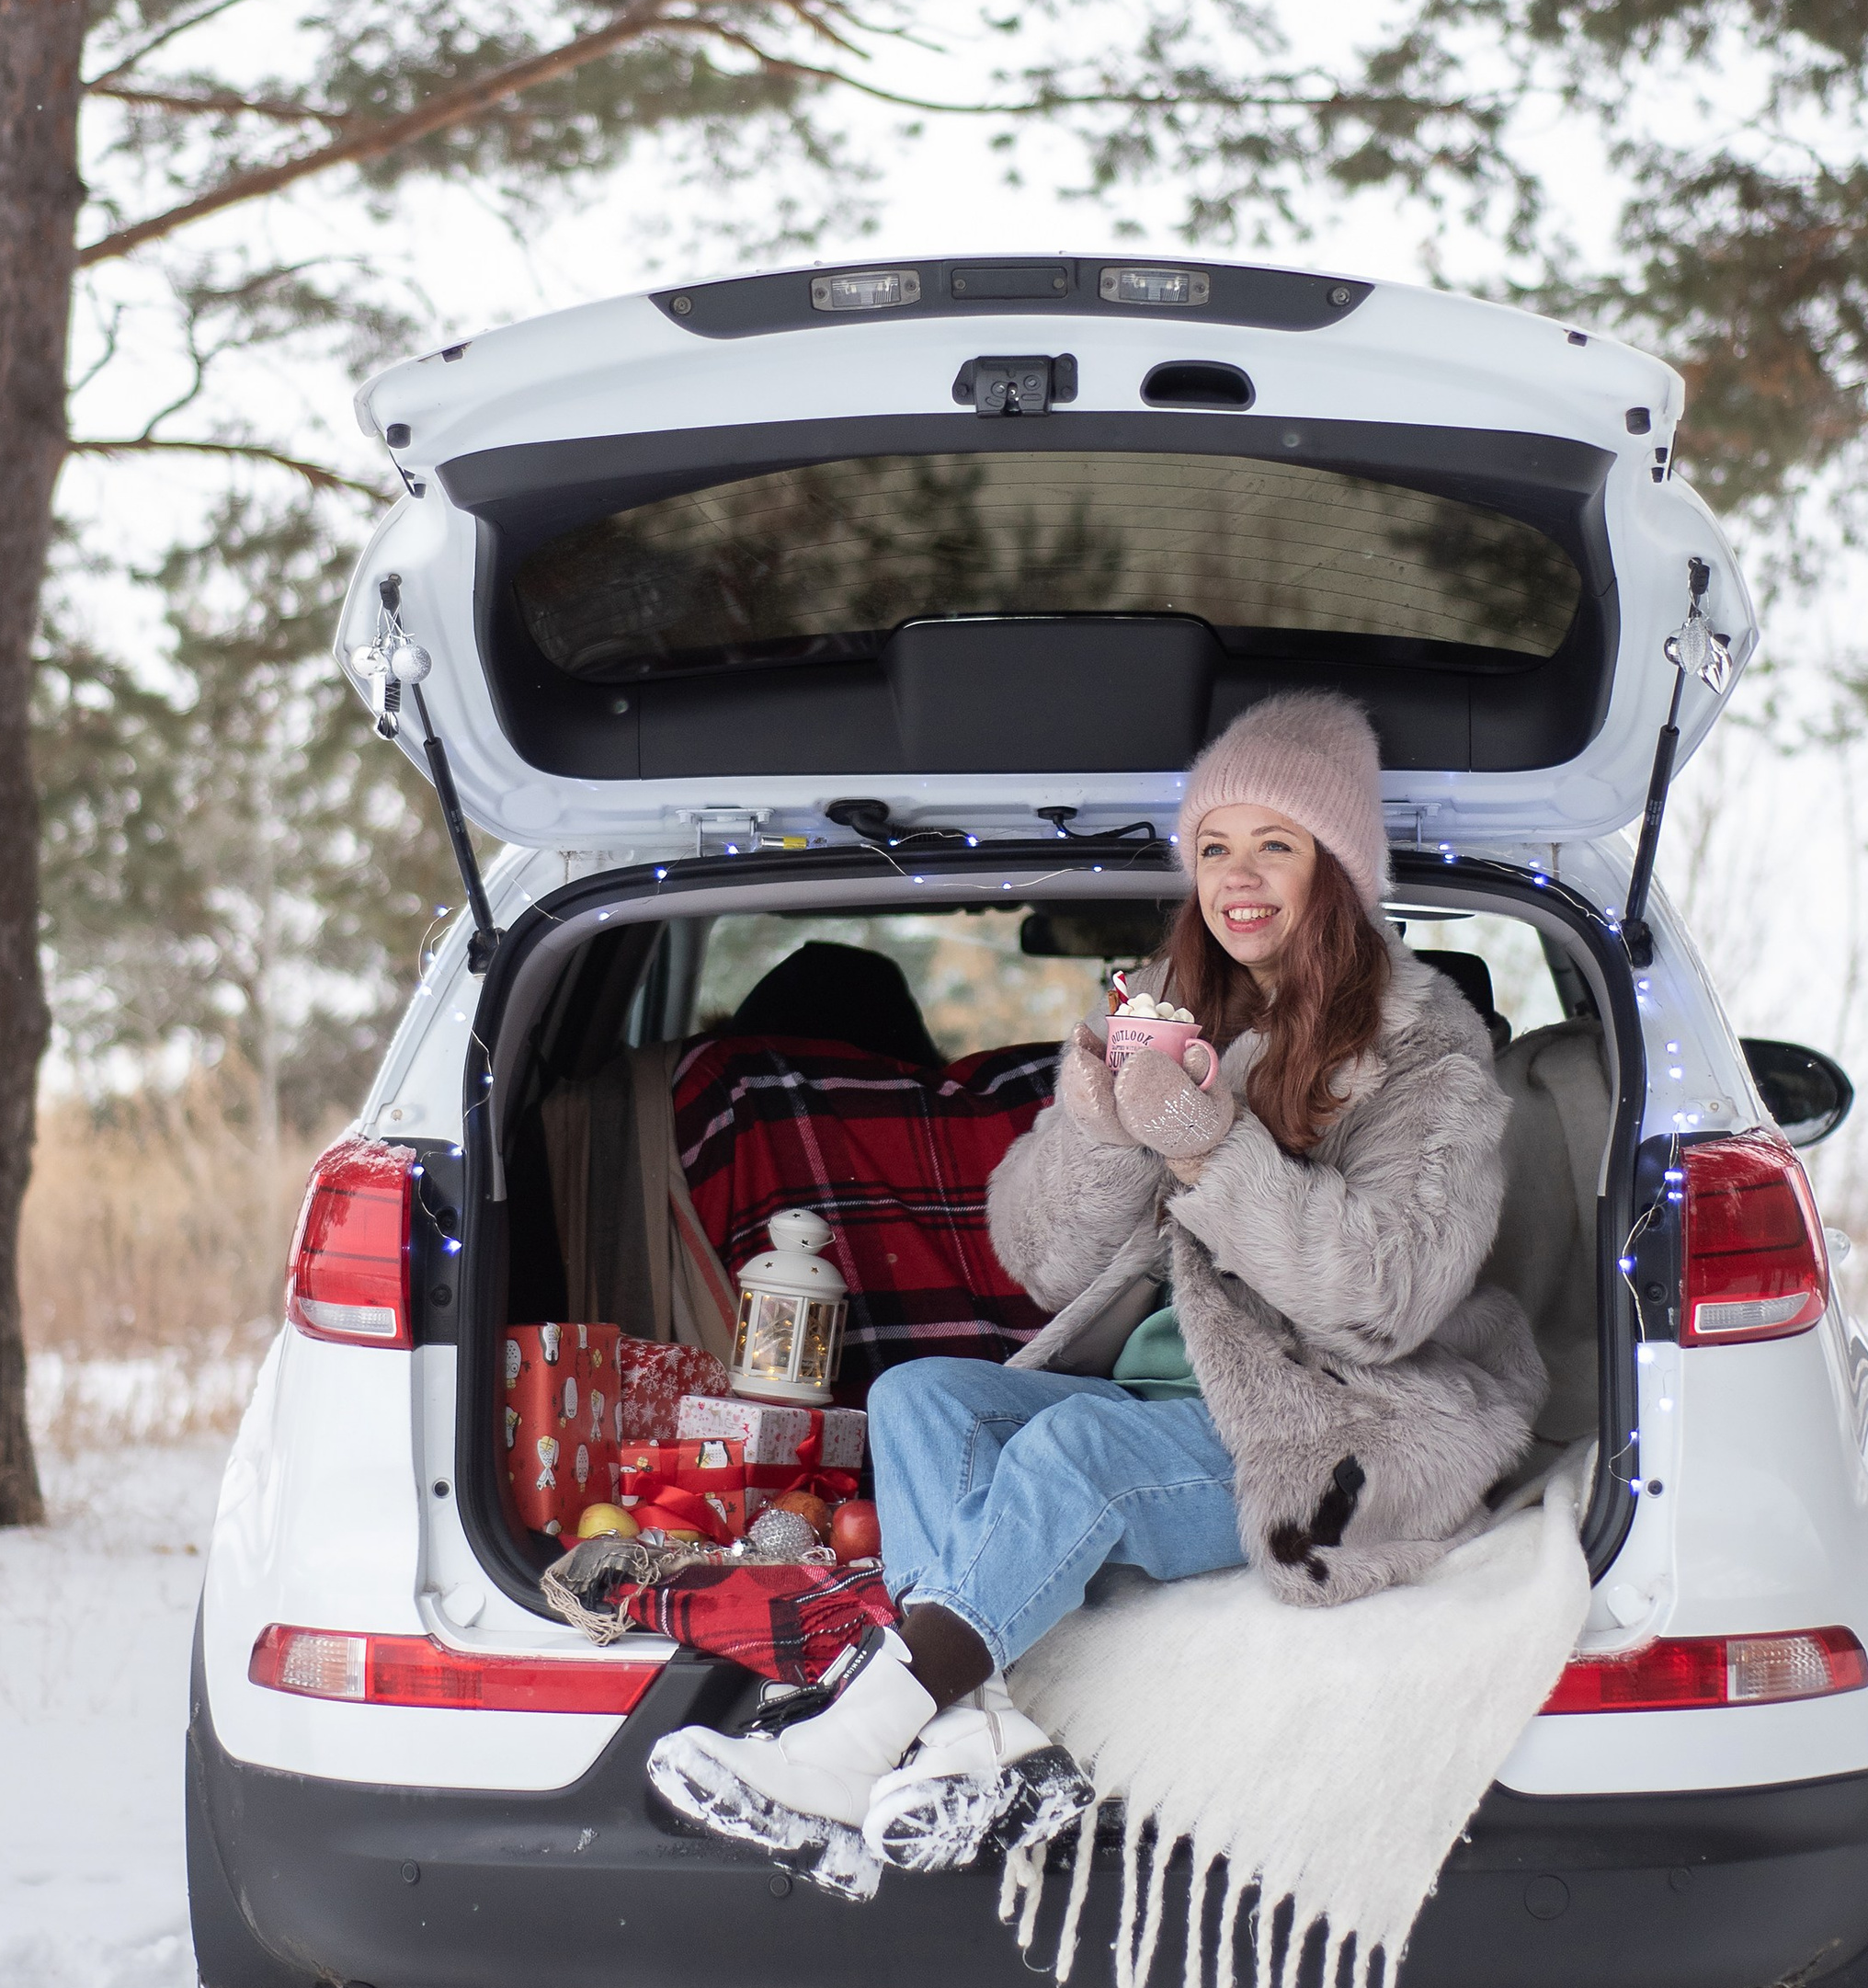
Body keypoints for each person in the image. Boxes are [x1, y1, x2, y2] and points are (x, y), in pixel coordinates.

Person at [645, 693, 1543, 1887]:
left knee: (1074, 1448)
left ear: (1338, 866)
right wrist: (1100, 1118)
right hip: (1169, 1407)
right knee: (920, 1399)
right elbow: (1038, 1257)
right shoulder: (1182, 1012)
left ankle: (853, 1743)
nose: (1239, 876)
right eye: (1215, 846)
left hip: (1341, 1432)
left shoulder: (1428, 1058)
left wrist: (1211, 1151)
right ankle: (973, 1738)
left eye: (1275, 843)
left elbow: (1384, 1296)